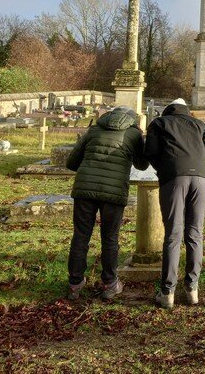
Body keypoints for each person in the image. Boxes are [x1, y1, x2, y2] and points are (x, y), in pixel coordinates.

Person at [65, 106, 148, 301]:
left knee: (80, 236)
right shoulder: (133, 133)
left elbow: (71, 162)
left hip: (85, 189)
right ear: (131, 119)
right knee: (110, 238)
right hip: (113, 191)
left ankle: (75, 283)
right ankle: (110, 284)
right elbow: (142, 164)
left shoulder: (94, 130)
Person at [145, 98, 205, 308]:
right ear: (186, 110)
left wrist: (166, 167)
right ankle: (192, 288)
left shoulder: (160, 123)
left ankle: (168, 293)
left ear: (168, 109)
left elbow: (150, 152)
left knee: (173, 234)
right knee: (195, 233)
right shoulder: (200, 124)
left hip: (174, 177)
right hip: (202, 179)